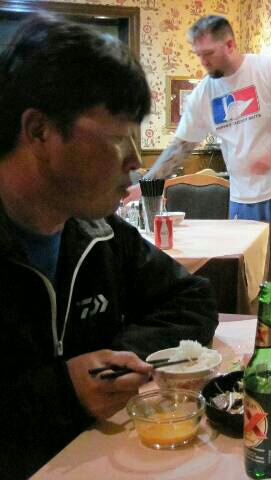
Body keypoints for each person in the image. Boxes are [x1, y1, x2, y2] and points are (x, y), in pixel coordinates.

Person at [0, 14, 218, 478]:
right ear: (39, 131)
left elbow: (193, 298)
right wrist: (64, 392)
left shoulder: (97, 233)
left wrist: (115, 361)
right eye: (118, 138)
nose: (136, 161)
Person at [133, 15, 271, 273]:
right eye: (199, 55)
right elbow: (181, 147)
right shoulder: (203, 94)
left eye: (209, 53)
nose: (203, 61)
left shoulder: (270, 69)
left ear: (230, 45)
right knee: (248, 278)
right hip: (242, 198)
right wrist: (146, 184)